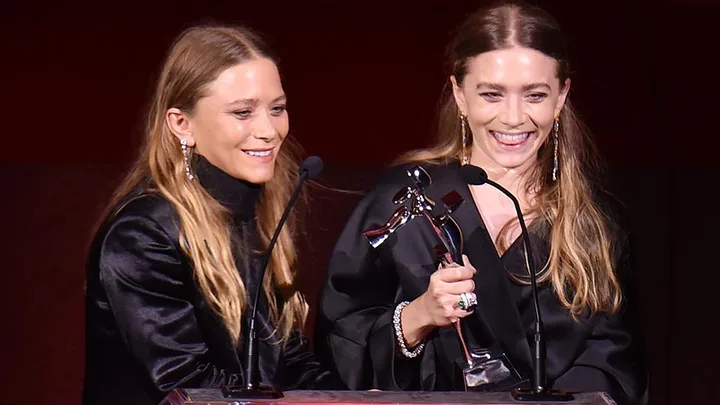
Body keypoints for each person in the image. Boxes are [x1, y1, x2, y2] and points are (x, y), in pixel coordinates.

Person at [313, 2, 649, 404]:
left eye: (535, 95)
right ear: (459, 93)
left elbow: (617, 360)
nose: (512, 117)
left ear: (562, 96)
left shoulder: (594, 221)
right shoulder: (403, 202)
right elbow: (340, 340)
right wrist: (417, 317)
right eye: (491, 94)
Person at [83, 24, 340, 405]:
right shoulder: (142, 234)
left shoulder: (255, 212)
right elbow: (187, 384)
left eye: (277, 109)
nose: (269, 130)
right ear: (181, 124)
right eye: (243, 112)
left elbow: (287, 360)